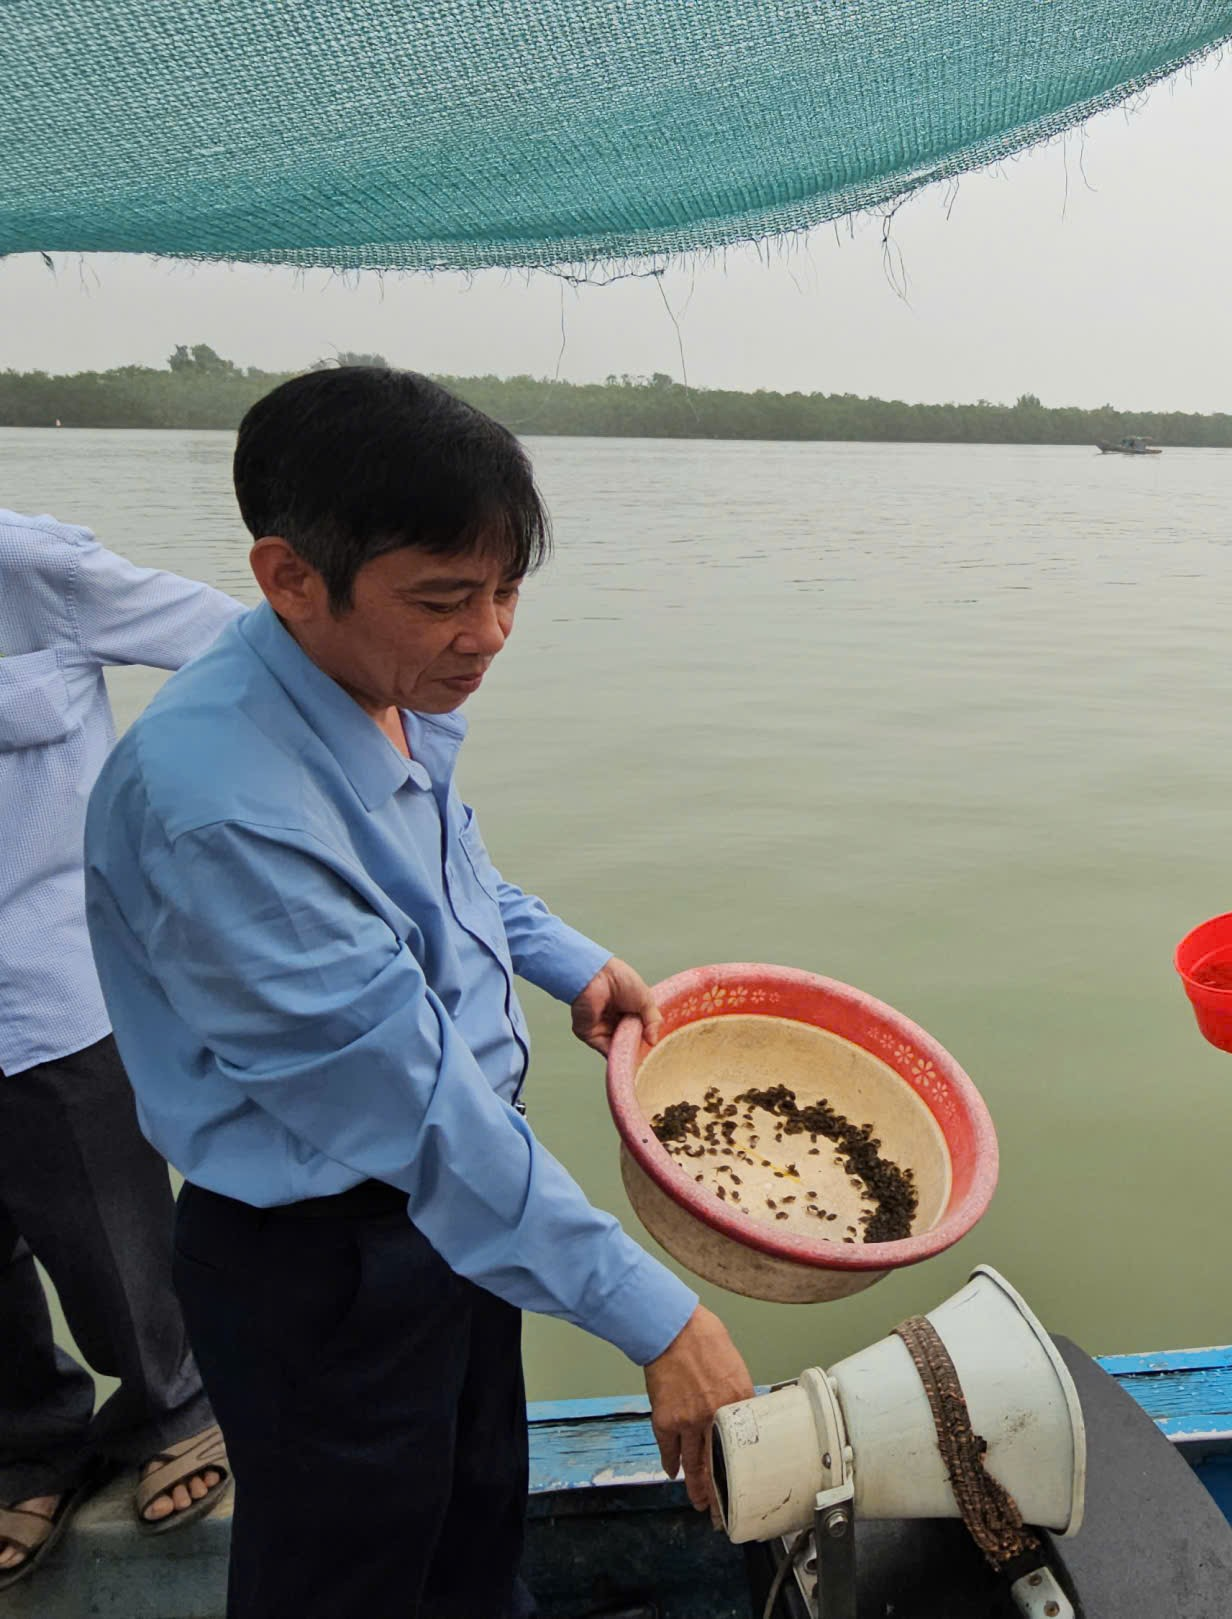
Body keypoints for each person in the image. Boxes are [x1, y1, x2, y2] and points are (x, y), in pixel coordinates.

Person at [82, 367, 756, 1619]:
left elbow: (442, 868)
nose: (488, 634)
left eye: (507, 590)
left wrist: (566, 957)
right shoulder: (224, 812)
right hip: (326, 1263)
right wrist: (663, 1320)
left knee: (472, 1523)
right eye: (445, 598)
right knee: (345, 1574)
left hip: (457, 1222)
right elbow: (419, 1113)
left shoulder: (368, 685)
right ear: (291, 575)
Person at [0, 513, 240, 1589]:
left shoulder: (32, 569)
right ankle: (26, 1443)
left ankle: (173, 1407)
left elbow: (242, 649)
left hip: (48, 979)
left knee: (108, 1228)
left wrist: (178, 829)